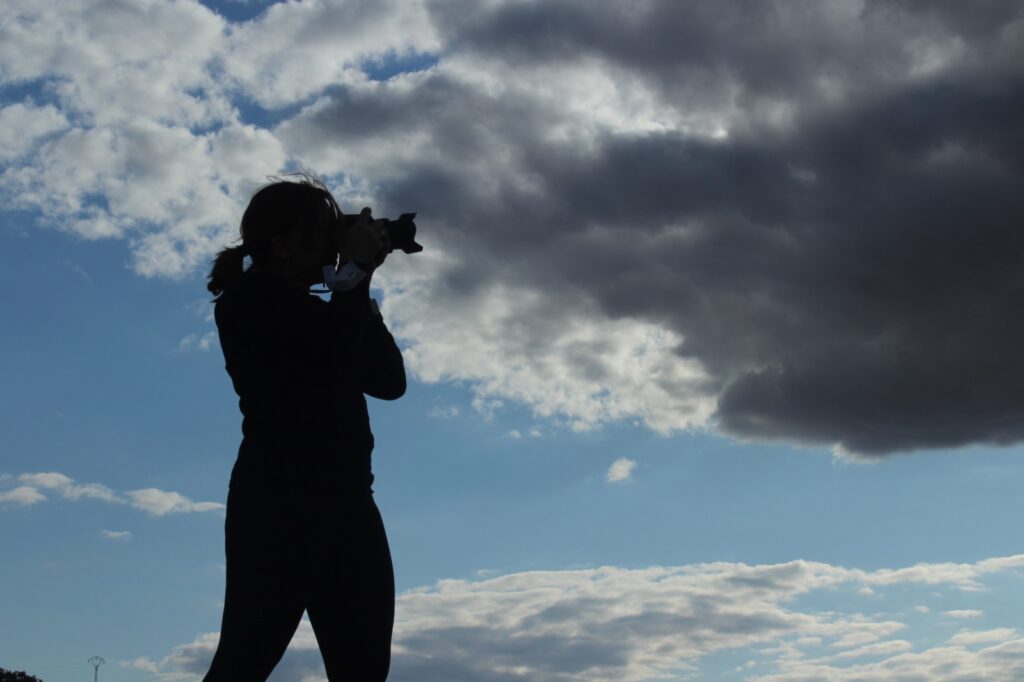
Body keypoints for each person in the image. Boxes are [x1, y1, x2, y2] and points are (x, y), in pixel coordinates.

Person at [203, 175, 405, 680]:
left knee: (363, 669)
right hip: (279, 508)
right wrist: (354, 273)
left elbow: (388, 381)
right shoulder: (246, 303)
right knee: (244, 661)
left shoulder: (333, 307)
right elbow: (332, 354)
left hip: (350, 504)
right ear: (283, 246)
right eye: (320, 232)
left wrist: (361, 286)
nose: (331, 244)